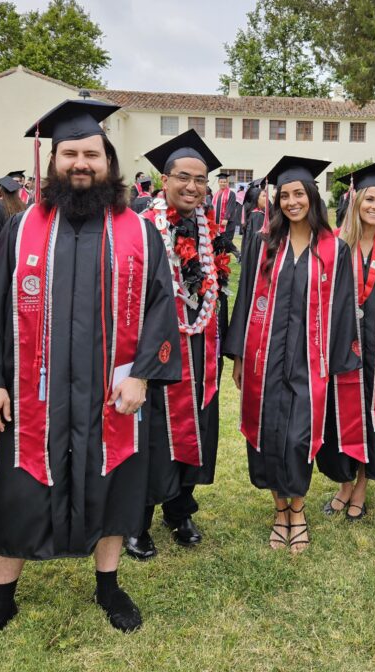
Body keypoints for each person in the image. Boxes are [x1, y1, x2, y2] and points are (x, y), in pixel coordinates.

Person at [0, 98, 182, 659]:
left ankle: (108, 586)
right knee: (19, 493)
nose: (81, 163)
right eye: (70, 153)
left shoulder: (138, 233)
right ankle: (1, 601)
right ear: (53, 163)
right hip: (35, 401)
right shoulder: (21, 227)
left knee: (113, 487)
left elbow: (160, 308)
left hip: (111, 397)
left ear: (108, 161)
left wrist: (144, 375)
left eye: (91, 154)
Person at [224, 156, 360, 554]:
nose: (291, 201)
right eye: (284, 195)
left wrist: (336, 365)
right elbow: (246, 298)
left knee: (299, 437)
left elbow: (343, 308)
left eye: (299, 193)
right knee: (266, 434)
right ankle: (278, 509)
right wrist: (239, 359)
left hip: (309, 361)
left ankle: (297, 510)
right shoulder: (264, 244)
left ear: (312, 197)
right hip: (264, 358)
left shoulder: (335, 250)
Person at [124, 130, 233, 558]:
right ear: (163, 179)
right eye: (183, 177)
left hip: (201, 344)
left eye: (201, 179)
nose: (192, 186)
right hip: (153, 348)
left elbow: (215, 290)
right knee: (150, 434)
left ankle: (180, 509)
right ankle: (138, 520)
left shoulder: (211, 228)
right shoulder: (142, 227)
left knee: (198, 425)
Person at [318, 162, 375, 521]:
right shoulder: (334, 244)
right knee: (343, 414)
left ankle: (363, 487)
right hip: (343, 347)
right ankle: (344, 484)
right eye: (369, 199)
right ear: (355, 201)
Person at [212, 171, 240, 239]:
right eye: (221, 182)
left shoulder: (231, 194)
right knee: (218, 238)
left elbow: (230, 206)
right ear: (218, 182)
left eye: (224, 182)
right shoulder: (216, 194)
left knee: (226, 238)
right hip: (217, 221)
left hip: (227, 221)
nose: (223, 183)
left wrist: (226, 218)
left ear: (227, 183)